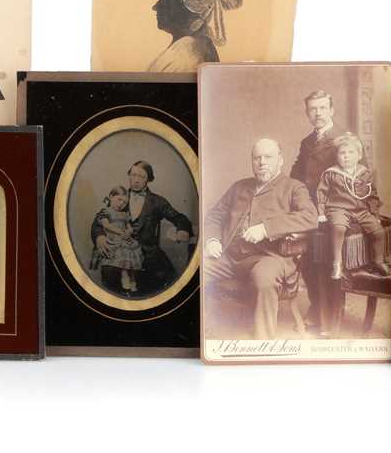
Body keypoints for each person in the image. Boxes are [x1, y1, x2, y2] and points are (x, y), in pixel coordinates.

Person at [202, 138, 319, 339]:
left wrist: (266, 229)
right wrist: (212, 240)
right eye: (257, 158)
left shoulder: (294, 187)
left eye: (268, 157)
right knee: (199, 268)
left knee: (264, 278)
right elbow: (214, 216)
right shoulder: (239, 186)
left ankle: (263, 341)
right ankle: (198, 332)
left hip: (271, 257)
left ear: (280, 160)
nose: (262, 162)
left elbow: (310, 217)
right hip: (229, 256)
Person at [289, 90, 349, 329]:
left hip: (335, 209)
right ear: (307, 113)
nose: (318, 113)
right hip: (309, 210)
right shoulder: (307, 142)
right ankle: (317, 308)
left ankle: (329, 317)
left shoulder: (344, 139)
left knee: (325, 261)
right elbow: (296, 174)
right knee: (305, 260)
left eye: (323, 108)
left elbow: (357, 175)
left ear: (331, 110)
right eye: (313, 109)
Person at [93, 160, 193, 295]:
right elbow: (99, 220)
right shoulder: (120, 196)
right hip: (118, 255)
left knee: (168, 287)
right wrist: (99, 237)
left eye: (141, 176)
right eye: (133, 175)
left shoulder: (157, 201)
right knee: (111, 286)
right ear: (129, 176)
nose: (136, 180)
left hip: (149, 258)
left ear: (148, 179)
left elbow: (179, 218)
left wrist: (182, 230)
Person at [315, 133, 390, 280]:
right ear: (337, 156)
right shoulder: (331, 174)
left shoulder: (364, 173)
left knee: (378, 232)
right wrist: (321, 213)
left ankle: (378, 261)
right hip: (338, 209)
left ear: (359, 155)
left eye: (351, 152)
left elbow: (372, 195)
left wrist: (375, 214)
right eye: (342, 153)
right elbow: (321, 193)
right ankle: (337, 263)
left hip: (361, 210)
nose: (346, 156)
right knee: (339, 227)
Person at [89, 186, 145, 293]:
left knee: (133, 253)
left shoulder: (124, 214)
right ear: (111, 197)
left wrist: (129, 231)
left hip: (124, 238)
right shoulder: (105, 211)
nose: (121, 204)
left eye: (124, 202)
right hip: (113, 239)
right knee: (122, 256)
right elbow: (106, 225)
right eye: (119, 200)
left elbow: (129, 227)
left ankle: (133, 280)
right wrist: (120, 232)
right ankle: (125, 277)